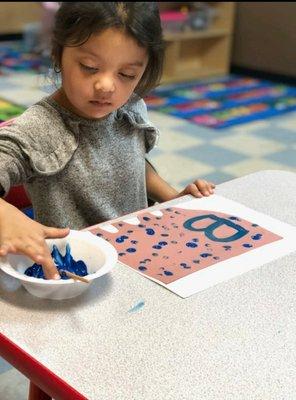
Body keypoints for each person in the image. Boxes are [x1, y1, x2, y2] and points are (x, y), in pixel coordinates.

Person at [0, 2, 215, 281]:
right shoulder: (39, 130)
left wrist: (171, 198)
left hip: (141, 261)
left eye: (127, 74)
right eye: (89, 67)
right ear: (59, 53)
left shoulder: (129, 107)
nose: (107, 86)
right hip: (81, 277)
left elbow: (133, 160)